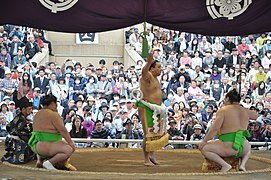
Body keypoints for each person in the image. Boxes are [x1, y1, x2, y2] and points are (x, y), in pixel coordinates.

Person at [199, 89, 258, 172]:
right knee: (248, 145)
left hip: (230, 147)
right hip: (244, 147)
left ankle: (225, 165)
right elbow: (255, 116)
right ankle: (243, 164)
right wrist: (242, 108)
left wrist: (204, 141)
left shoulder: (223, 110)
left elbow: (214, 129)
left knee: (205, 149)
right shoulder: (245, 110)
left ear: (227, 98)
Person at [28, 94, 76, 170]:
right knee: (68, 149)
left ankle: (40, 160)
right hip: (46, 146)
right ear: (52, 103)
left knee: (55, 142)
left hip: (35, 146)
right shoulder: (53, 115)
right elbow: (62, 130)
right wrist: (70, 143)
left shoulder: (36, 115)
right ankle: (49, 163)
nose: (56, 105)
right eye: (56, 103)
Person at [136, 52, 168, 166]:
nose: (161, 70)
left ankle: (151, 155)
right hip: (146, 108)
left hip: (157, 109)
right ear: (152, 68)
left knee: (155, 134)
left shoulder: (156, 78)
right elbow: (143, 72)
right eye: (158, 67)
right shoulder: (147, 76)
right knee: (148, 134)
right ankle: (146, 159)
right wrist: (148, 62)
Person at [1, 97, 35, 164]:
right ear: (23, 109)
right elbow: (23, 134)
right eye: (29, 109)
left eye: (31, 109)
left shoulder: (22, 118)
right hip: (15, 142)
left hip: (13, 140)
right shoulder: (20, 119)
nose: (31, 111)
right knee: (21, 158)